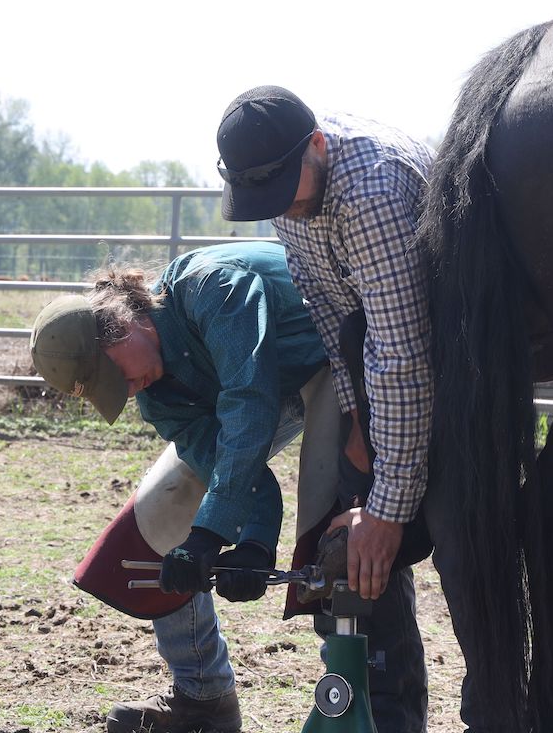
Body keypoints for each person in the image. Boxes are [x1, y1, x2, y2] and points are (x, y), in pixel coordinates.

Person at [30, 242, 427, 733]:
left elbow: (249, 402)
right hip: (272, 393)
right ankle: (203, 696)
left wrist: (216, 535)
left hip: (337, 359)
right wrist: (250, 542)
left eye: (118, 376)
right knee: (164, 510)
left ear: (122, 325)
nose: (128, 390)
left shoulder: (212, 287)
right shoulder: (157, 396)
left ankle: (370, 700)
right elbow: (224, 457)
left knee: (344, 523)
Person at [217, 86, 436, 721]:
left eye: (289, 187)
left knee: (427, 535)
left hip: (451, 362)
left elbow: (403, 353)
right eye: (267, 198)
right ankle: (380, 710)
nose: (282, 207)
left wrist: (387, 508)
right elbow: (337, 319)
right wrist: (357, 425)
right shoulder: (287, 193)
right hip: (386, 367)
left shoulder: (369, 195)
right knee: (350, 546)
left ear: (317, 145)